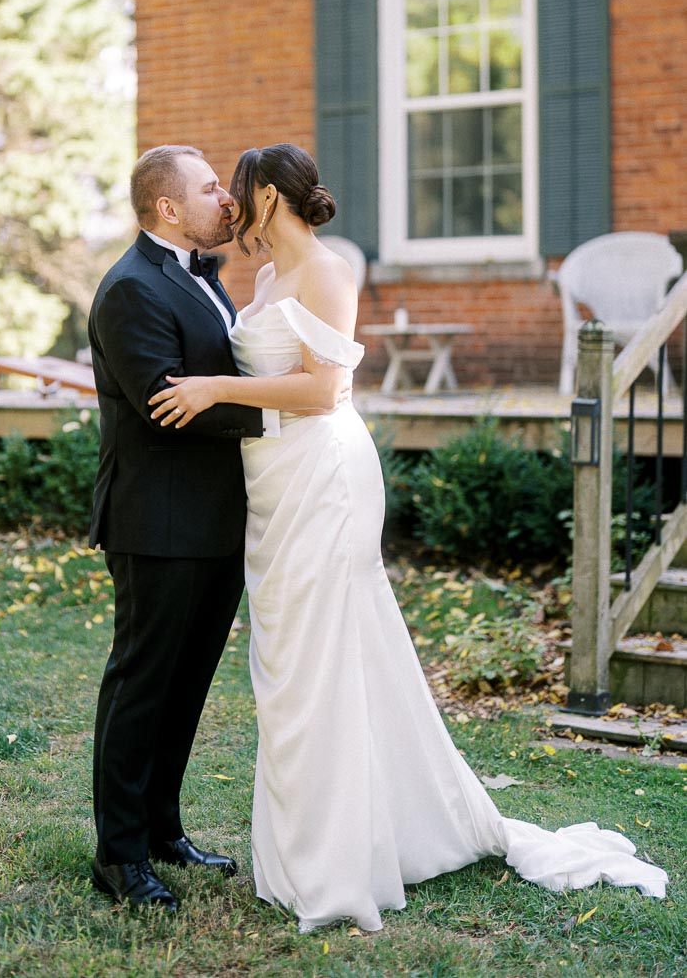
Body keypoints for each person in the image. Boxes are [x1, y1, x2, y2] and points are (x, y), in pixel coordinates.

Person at [149, 143, 669, 934]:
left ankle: (339, 865)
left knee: (326, 657)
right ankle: (320, 845)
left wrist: (218, 386)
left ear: (267, 199)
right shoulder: (257, 279)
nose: (227, 202)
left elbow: (325, 390)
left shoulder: (329, 273)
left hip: (325, 475)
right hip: (271, 483)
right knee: (288, 662)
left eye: (237, 189)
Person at [87, 144, 272, 913]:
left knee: (187, 685)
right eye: (208, 190)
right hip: (156, 521)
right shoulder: (130, 289)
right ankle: (119, 856)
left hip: (217, 521)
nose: (224, 200)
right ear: (168, 208)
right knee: (142, 685)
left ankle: (163, 829)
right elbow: (168, 404)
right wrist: (291, 406)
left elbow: (210, 383)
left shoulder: (206, 277)